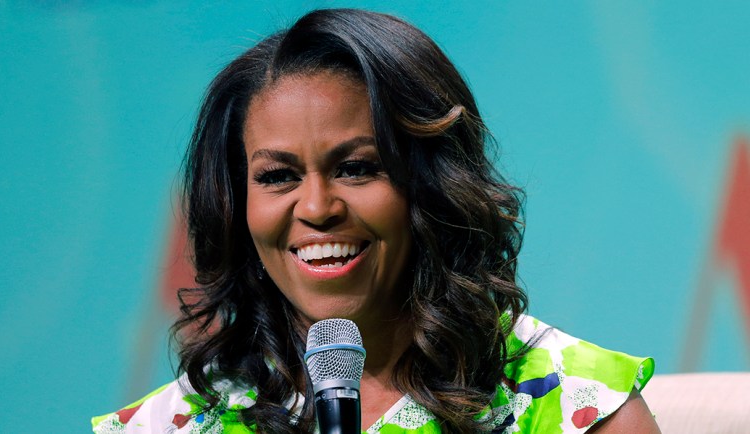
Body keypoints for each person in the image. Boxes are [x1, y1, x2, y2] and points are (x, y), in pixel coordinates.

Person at [92, 8, 659, 433]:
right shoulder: (176, 424)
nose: (316, 209)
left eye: (357, 168)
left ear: (435, 185)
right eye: (277, 177)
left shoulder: (582, 411)